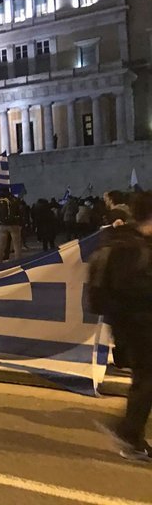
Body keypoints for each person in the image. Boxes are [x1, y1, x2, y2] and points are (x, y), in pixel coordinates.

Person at [90, 192, 152, 461]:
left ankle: (130, 433)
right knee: (146, 378)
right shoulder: (131, 246)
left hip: (131, 323)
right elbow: (133, 289)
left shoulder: (126, 240)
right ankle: (129, 433)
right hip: (138, 324)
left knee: (145, 378)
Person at [0, 189, 23, 263]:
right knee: (16, 245)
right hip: (13, 225)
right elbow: (19, 212)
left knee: (1, 245)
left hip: (2, 225)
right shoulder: (14, 200)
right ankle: (18, 262)